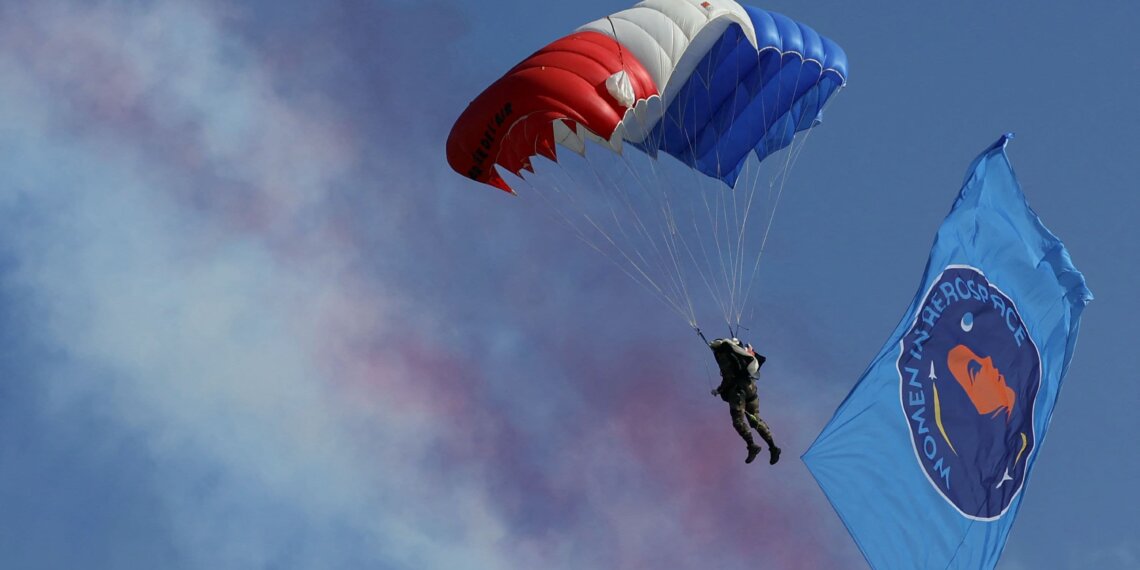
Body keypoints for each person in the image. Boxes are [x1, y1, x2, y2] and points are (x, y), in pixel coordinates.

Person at [709, 338, 781, 465]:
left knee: (738, 421)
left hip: (738, 392)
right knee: (755, 420)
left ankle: (752, 445)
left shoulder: (723, 355)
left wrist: (719, 390)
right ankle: (773, 447)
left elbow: (728, 378)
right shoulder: (738, 351)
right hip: (751, 390)